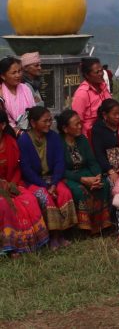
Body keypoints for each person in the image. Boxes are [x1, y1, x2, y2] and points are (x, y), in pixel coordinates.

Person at [18, 106, 77, 248]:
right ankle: (51, 237)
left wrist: (54, 183)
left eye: (50, 120)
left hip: (52, 179)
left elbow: (59, 162)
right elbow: (26, 170)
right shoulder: (24, 140)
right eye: (45, 121)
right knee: (46, 197)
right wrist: (45, 186)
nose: (49, 124)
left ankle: (61, 234)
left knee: (64, 193)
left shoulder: (53, 137)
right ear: (33, 123)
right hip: (33, 181)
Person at [0, 106, 49, 254]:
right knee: (4, 204)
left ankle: (28, 244)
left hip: (13, 182)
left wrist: (12, 184)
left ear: (2, 126)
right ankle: (9, 247)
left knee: (29, 200)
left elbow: (16, 168)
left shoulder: (10, 142)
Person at [58, 108, 113, 234]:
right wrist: (82, 180)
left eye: (80, 123)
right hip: (69, 175)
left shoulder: (82, 139)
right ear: (65, 128)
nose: (80, 126)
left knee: (103, 184)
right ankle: (83, 228)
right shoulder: (58, 142)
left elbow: (92, 161)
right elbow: (60, 170)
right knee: (79, 190)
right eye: (76, 124)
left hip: (85, 171)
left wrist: (98, 175)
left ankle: (101, 225)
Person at [90, 98, 119, 185]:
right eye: (114, 114)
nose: (118, 116)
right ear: (105, 115)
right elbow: (99, 154)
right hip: (108, 168)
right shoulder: (98, 129)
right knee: (116, 185)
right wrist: (111, 171)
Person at [71, 57, 112, 138]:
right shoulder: (82, 94)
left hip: (106, 134)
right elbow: (77, 121)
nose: (101, 74)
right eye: (97, 72)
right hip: (90, 138)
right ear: (87, 75)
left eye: (101, 70)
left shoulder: (103, 86)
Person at [0, 56, 40, 133]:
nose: (18, 75)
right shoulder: (1, 93)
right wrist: (18, 132)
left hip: (30, 131)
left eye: (19, 71)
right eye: (14, 73)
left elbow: (34, 110)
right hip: (9, 133)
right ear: (3, 76)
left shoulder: (26, 88)